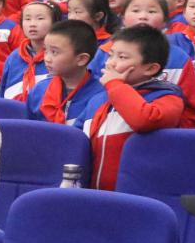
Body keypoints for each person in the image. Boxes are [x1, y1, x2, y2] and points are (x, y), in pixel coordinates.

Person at [76, 26, 186, 190]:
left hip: (137, 194)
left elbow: (144, 120)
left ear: (150, 68)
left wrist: (115, 85)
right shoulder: (98, 100)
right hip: (92, 191)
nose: (110, 62)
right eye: (110, 55)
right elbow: (77, 139)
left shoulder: (168, 98)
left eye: (122, 57)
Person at [92, 0, 195, 129]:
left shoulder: (179, 57)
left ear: (165, 21)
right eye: (135, 11)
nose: (143, 16)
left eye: (152, 11)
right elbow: (92, 94)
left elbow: (192, 109)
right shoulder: (104, 52)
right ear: (122, 18)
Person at [28, 20, 105, 125]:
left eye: (54, 52)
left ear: (81, 59)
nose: (47, 58)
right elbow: (30, 129)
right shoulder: (39, 89)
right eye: (46, 51)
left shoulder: (101, 94)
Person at [0, 0, 57, 101]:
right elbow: (2, 94)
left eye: (40, 18)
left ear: (54, 22)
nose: (32, 24)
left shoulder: (59, 56)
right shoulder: (14, 57)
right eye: (27, 19)